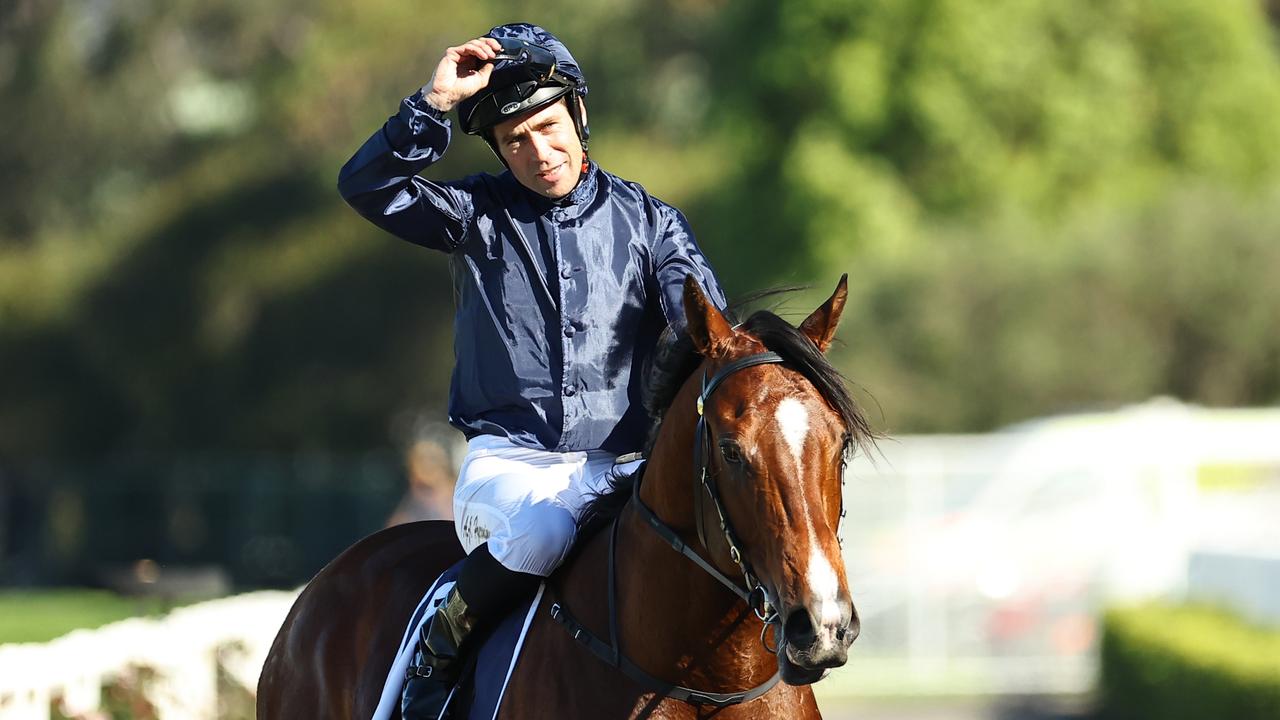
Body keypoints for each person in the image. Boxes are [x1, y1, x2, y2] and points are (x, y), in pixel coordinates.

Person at [337, 22, 726, 719]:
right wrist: (431, 103)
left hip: (622, 467)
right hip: (507, 474)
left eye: (549, 127)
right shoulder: (475, 214)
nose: (539, 152)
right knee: (547, 533)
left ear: (579, 116)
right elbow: (367, 185)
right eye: (515, 140)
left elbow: (703, 324)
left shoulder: (652, 223)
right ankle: (439, 643)